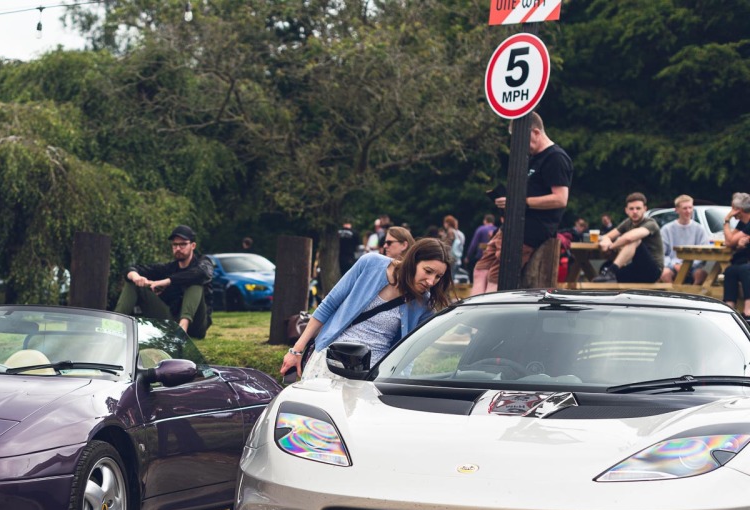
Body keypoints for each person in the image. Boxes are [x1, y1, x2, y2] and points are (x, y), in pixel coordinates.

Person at [282, 237, 453, 381]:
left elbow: (409, 350)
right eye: (428, 271)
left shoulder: (424, 304)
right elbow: (329, 304)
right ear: (413, 261)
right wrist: (296, 350)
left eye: (438, 276)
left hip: (370, 376)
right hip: (330, 361)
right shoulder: (370, 263)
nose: (431, 282)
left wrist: (397, 382)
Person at [474, 112, 573, 294]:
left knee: (498, 275)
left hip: (532, 230)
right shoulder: (533, 158)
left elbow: (560, 199)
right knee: (481, 269)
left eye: (523, 140)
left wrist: (520, 202)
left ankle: (487, 319)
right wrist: (510, 201)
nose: (521, 147)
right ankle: (470, 314)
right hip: (513, 224)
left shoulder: (555, 158)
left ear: (535, 132)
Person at [113, 225, 213, 337]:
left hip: (197, 324)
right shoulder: (168, 268)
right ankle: (114, 325)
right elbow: (132, 269)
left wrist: (166, 281)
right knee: (133, 282)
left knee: (195, 281)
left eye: (183, 244)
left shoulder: (203, 262)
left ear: (193, 245)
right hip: (172, 320)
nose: (178, 248)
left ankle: (183, 328)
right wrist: (136, 277)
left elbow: (202, 273)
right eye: (175, 245)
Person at [597, 193, 664, 283]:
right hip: (636, 267)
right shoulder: (628, 222)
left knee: (634, 240)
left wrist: (611, 246)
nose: (635, 211)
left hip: (653, 270)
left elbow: (629, 238)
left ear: (645, 209)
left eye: (638, 208)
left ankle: (611, 271)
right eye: (631, 209)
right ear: (626, 210)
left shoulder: (651, 223)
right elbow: (607, 236)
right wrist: (606, 241)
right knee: (604, 279)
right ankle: (609, 276)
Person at [660, 194, 710, 284]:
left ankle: (693, 295)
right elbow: (661, 254)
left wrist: (688, 266)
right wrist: (674, 264)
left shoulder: (699, 229)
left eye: (690, 208)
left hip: (694, 266)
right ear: (677, 210)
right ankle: (673, 295)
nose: (688, 211)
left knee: (702, 274)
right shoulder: (666, 229)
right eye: (684, 208)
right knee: (664, 273)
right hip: (673, 266)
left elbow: (704, 253)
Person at [720, 193, 750, 317]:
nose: (731, 211)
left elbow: (730, 241)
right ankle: (729, 308)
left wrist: (726, 220)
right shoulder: (743, 223)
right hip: (742, 260)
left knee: (745, 270)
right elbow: (730, 242)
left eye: (732, 208)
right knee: (730, 271)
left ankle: (748, 310)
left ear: (739, 210)